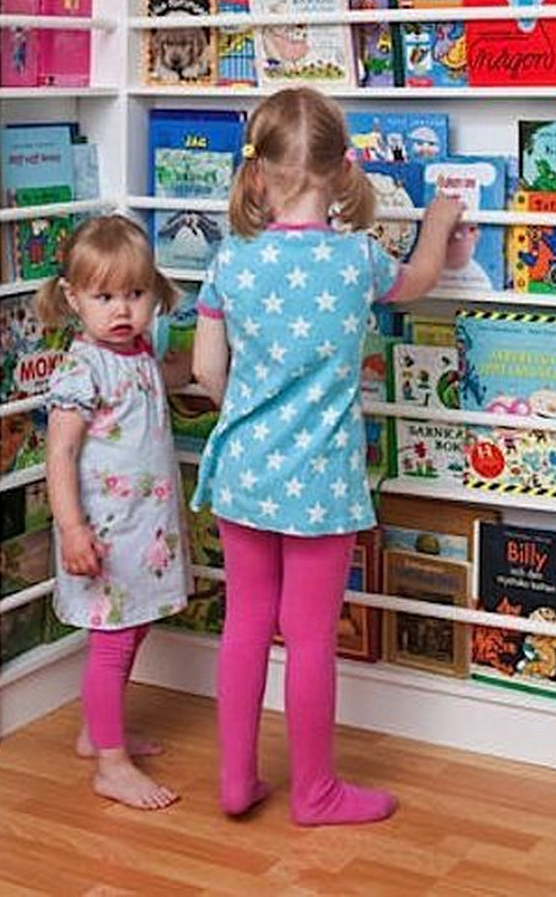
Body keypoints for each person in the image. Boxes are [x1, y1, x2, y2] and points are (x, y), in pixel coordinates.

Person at [190, 87, 469, 825]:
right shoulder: (359, 262)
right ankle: (314, 791)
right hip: (319, 482)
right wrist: (439, 224)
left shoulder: (230, 263)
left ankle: (233, 779)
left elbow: (208, 373)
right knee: (310, 636)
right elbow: (419, 282)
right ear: (344, 172)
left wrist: (252, 416)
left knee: (245, 623)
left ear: (256, 176)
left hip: (243, 473)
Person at [39, 215, 192, 810]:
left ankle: (95, 732)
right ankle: (110, 764)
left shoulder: (139, 351)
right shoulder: (82, 368)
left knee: (134, 628)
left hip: (144, 527)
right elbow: (61, 453)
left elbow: (162, 377)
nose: (122, 309)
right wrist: (72, 529)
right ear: (74, 299)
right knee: (112, 639)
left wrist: (215, 354)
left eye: (135, 294)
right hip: (104, 531)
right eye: (104, 297)